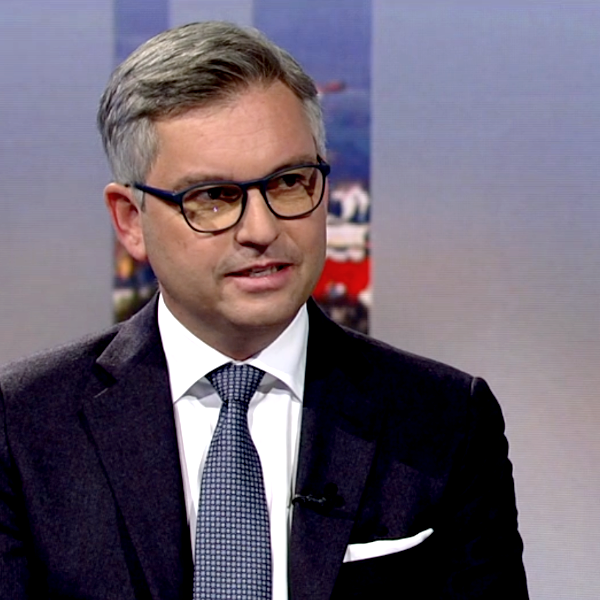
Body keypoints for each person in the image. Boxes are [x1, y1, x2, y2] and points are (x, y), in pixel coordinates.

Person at [0, 21, 528, 600]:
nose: (262, 228)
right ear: (131, 220)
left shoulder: (446, 420)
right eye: (213, 197)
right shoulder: (21, 425)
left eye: (289, 182)